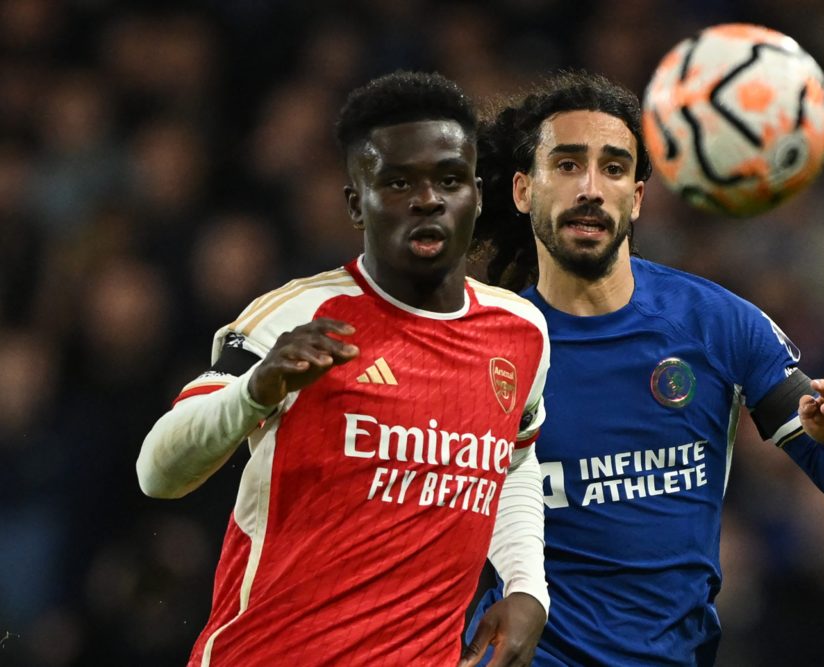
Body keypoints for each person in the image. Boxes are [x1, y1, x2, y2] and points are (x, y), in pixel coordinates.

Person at [465, 70, 824, 666]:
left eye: (612, 168)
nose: (590, 187)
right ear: (523, 191)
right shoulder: (481, 348)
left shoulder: (718, 324)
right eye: (567, 165)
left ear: (635, 198)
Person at [136, 70, 550, 667]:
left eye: (450, 179)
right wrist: (256, 391)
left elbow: (513, 459)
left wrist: (525, 583)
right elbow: (157, 471)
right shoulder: (296, 316)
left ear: (478, 196)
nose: (429, 199)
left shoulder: (519, 333)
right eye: (399, 181)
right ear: (357, 204)